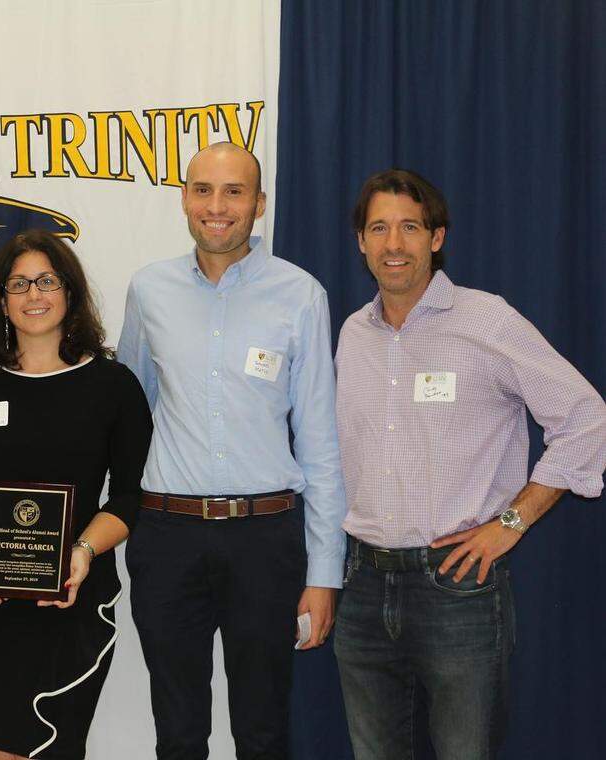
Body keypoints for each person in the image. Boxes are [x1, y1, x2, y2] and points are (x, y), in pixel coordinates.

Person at [332, 168, 606, 759]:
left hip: (457, 586)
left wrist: (511, 523)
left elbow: (586, 418)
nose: (393, 244)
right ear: (361, 242)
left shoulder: (486, 321)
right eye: (378, 228)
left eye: (410, 227)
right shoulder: (354, 333)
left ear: (437, 238)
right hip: (361, 585)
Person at [116, 141, 347, 759]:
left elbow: (321, 442)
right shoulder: (149, 290)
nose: (216, 207)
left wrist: (325, 573)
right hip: (167, 536)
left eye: (234, 192)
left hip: (265, 538)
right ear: (185, 199)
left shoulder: (301, 295)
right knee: (178, 730)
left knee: (264, 730)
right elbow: (129, 413)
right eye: (202, 190)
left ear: (259, 204)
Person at [0, 230, 152, 760]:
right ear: (1, 299)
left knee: (59, 747)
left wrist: (83, 553)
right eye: (19, 283)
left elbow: (128, 498)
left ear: (70, 292)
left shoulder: (113, 385)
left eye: (47, 281)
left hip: (75, 594)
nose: (33, 294)